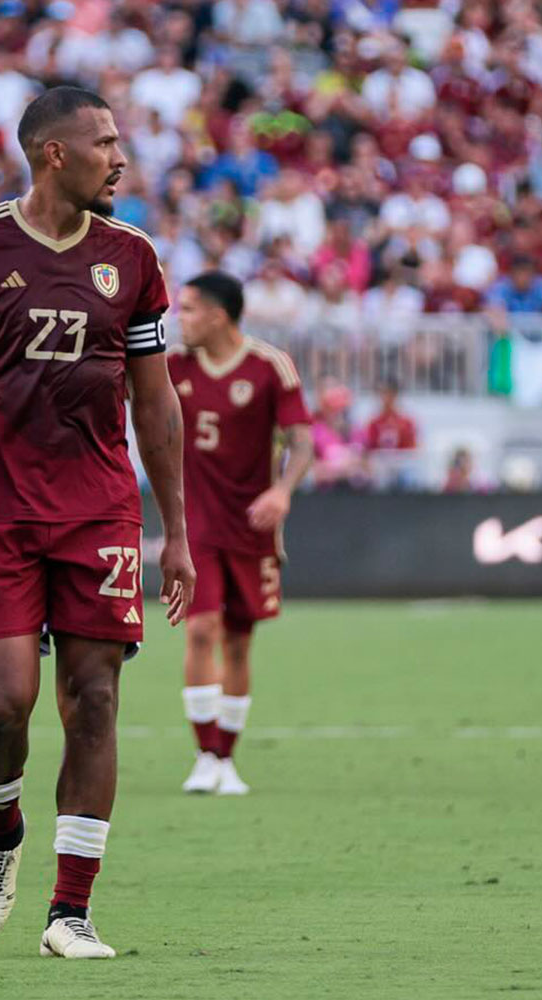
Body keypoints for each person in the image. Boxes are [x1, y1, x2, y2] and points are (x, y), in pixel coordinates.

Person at [0, 86, 195, 959]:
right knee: (2, 706)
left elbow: (156, 399)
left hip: (99, 512)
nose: (121, 158)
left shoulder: (133, 257)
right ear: (54, 154)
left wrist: (174, 528)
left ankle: (70, 912)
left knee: (95, 700)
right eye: (104, 143)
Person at [168, 272, 313, 796]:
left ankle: (226, 758)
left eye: (187, 309)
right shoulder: (172, 365)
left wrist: (283, 491)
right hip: (194, 525)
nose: (178, 318)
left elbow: (302, 441)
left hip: (251, 526)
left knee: (238, 640)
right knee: (200, 629)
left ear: (218, 315)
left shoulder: (269, 366)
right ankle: (205, 754)